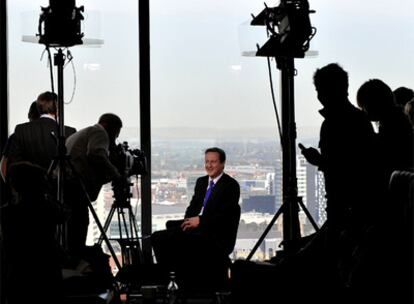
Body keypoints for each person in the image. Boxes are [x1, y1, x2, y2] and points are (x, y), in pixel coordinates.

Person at [151, 147, 241, 291]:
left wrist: (200, 220)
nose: (209, 165)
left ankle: (177, 281)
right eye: (207, 162)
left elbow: (225, 216)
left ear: (223, 164)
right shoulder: (201, 182)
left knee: (169, 239)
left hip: (216, 234)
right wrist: (188, 221)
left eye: (213, 162)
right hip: (197, 228)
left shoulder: (230, 185)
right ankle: (171, 277)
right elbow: (192, 207)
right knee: (157, 237)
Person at [1, 162, 64, 304]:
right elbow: (63, 213)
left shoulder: (8, 213)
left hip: (19, 275)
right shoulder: (49, 209)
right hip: (48, 272)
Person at [65, 113, 122, 266]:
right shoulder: (99, 132)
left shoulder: (82, 133)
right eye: (116, 134)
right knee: (80, 223)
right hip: (76, 186)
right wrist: (116, 174)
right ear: (110, 127)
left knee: (73, 224)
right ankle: (77, 262)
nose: (114, 139)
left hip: (68, 185)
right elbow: (97, 154)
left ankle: (73, 259)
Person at [5, 91, 76, 174]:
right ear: (58, 110)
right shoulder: (69, 132)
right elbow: (74, 166)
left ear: (38, 108)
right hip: (58, 186)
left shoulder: (21, 130)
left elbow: (12, 165)